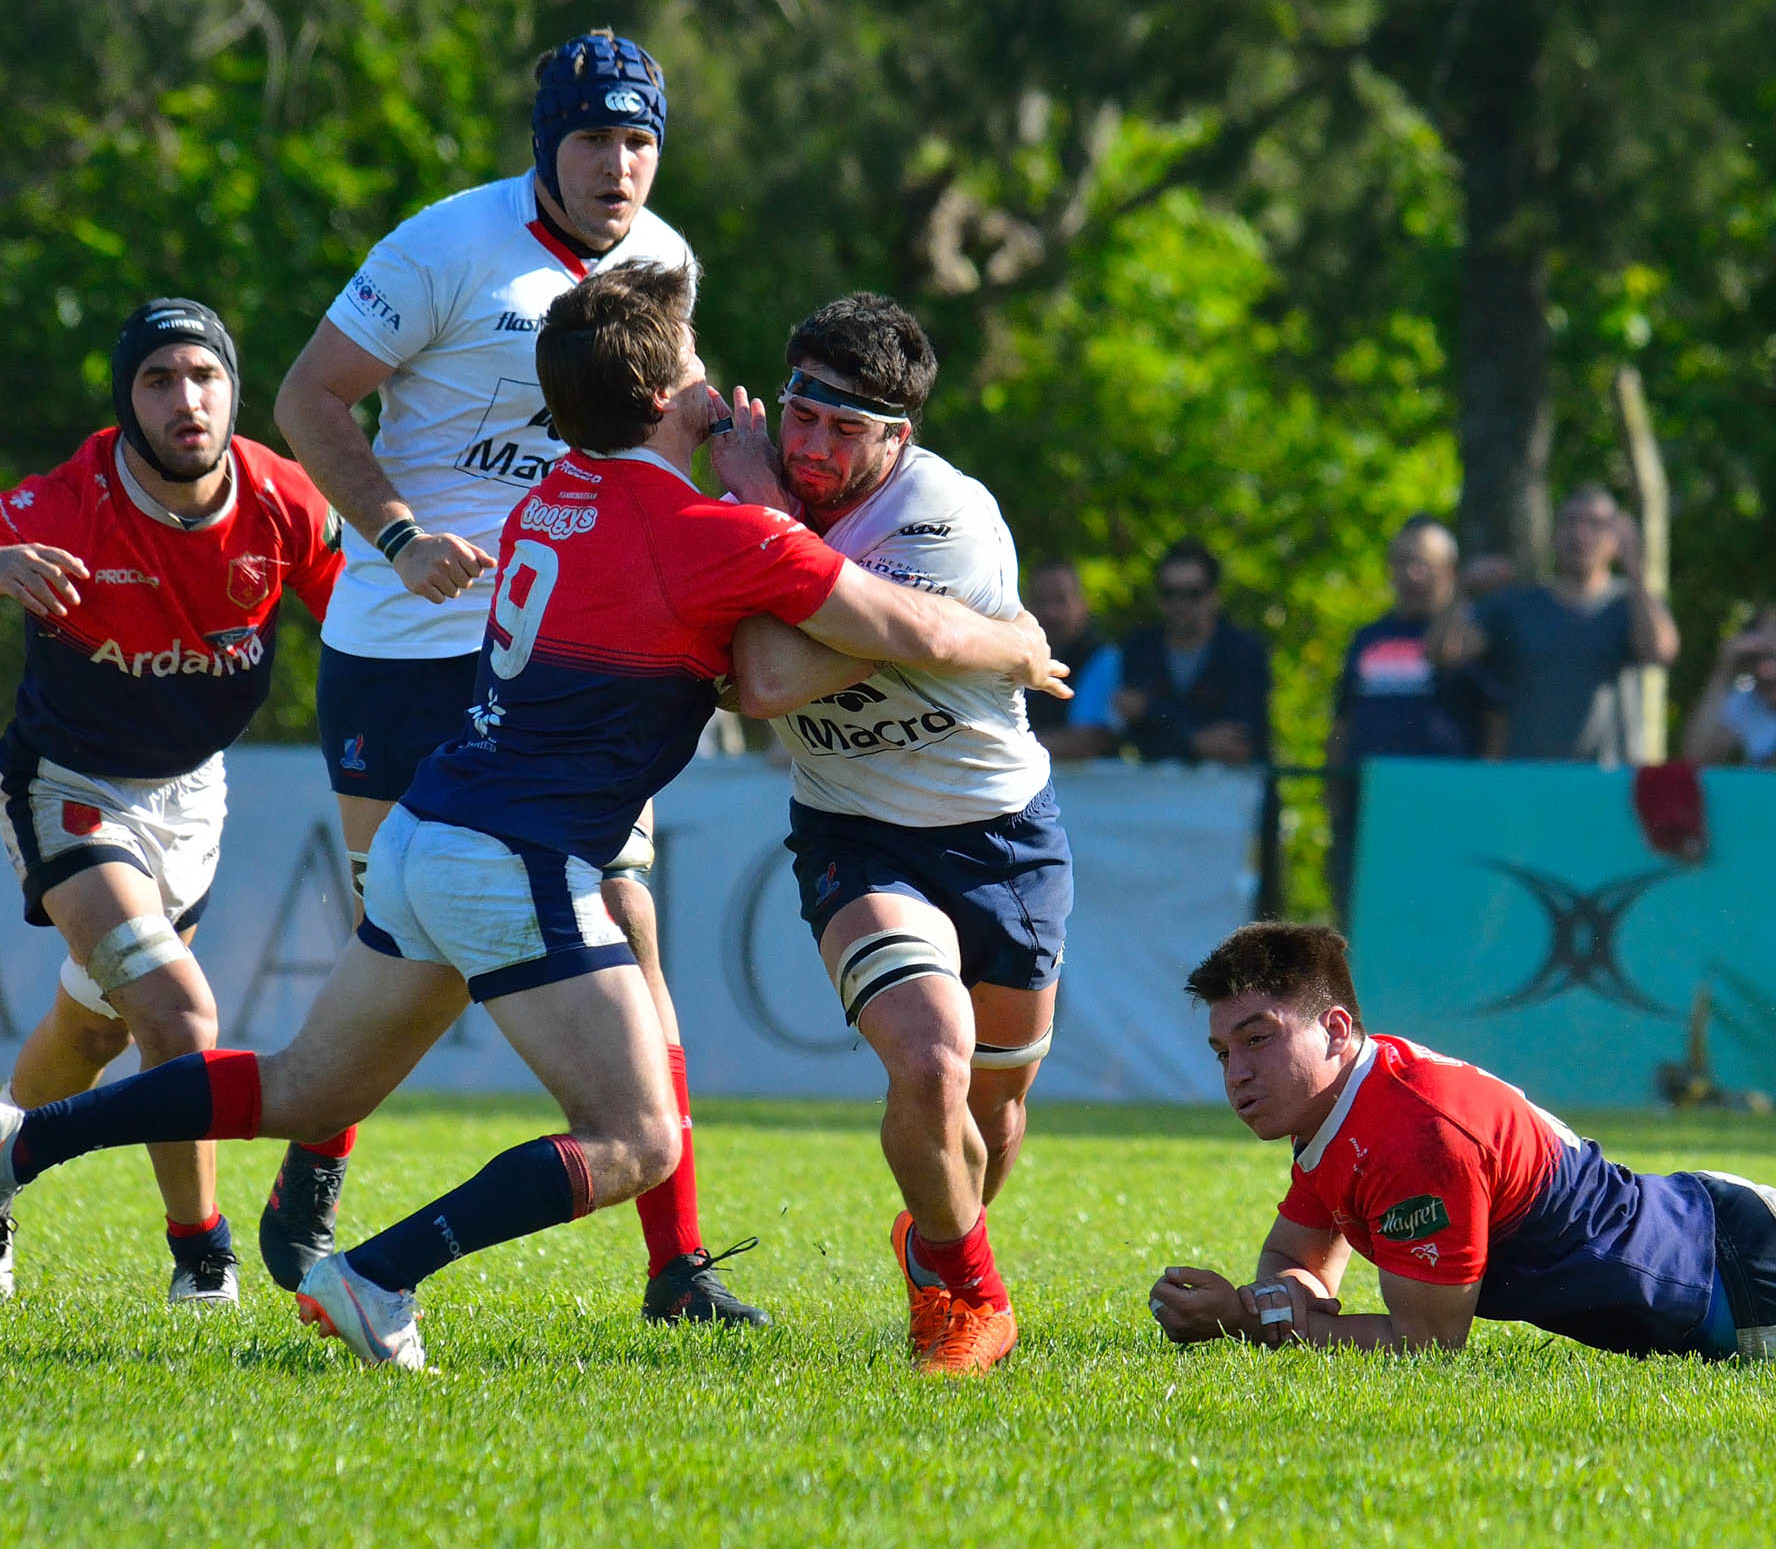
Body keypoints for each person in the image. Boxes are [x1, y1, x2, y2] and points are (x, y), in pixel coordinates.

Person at [0, 260, 1067, 1371]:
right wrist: (1019, 645)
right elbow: (912, 636)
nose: (717, 383)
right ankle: (376, 1275)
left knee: (303, 1085)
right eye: (694, 363)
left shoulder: (550, 494)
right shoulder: (715, 530)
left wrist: (739, 493)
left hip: (427, 833)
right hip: (516, 857)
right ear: (659, 394)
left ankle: (10, 1143)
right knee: (637, 1139)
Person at [268, 29, 748, 1325]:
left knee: (636, 927)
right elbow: (309, 400)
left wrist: (741, 450)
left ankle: (677, 1267)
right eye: (594, 137)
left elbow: (677, 401)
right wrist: (398, 535)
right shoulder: (443, 247)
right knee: (399, 948)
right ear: (546, 146)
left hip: (560, 649)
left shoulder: (665, 263)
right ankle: (324, 1140)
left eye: (640, 138)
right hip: (402, 640)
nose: (619, 163)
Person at [710, 294, 1074, 1376]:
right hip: (856, 831)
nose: (812, 450)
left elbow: (772, 666)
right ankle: (966, 1298)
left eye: (843, 430)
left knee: (995, 1110)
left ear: (897, 438)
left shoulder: (940, 521)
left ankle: (932, 1240)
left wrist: (760, 498)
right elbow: (761, 684)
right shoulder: (756, 485)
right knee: (929, 1062)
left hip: (1001, 834)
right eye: (797, 420)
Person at [0, 298, 342, 1303]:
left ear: (234, 388)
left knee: (95, 1029)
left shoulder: (285, 500)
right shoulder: (63, 503)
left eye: (205, 376)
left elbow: (372, 623)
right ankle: (202, 1251)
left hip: (193, 796)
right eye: (158, 379)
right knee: (179, 1016)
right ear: (127, 404)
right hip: (65, 789)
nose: (188, 399)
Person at [1148, 922, 1776, 1359]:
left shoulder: (1412, 1136)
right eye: (1223, 1052)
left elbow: (1427, 1347)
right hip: (1714, 1232)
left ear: (1336, 1031)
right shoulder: (1347, 1100)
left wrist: (1245, 1321)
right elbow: (1296, 1261)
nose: (1237, 1074)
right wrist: (1267, 1310)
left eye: (1259, 1039)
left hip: (1739, 1275)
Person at [1428, 486, 1679, 765]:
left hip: (1609, 782)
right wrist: (1462, 590)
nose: (1580, 534)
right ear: (1554, 533)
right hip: (1531, 780)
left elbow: (1660, 651)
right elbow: (1443, 654)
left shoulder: (1630, 604)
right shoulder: (1517, 605)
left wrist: (1635, 567)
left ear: (1615, 538)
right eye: (1570, 522)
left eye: (1595, 524)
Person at [1324, 517, 1489, 915]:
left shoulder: (1472, 638)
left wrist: (1487, 789)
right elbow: (1344, 720)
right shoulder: (1367, 638)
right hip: (1369, 810)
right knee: (1364, 920)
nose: (1412, 574)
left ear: (1450, 571)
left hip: (1445, 811)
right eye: (1401, 562)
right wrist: (1333, 792)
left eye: (1424, 563)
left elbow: (1495, 718)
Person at [1065, 541, 1270, 766]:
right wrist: (1196, 740)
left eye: (1193, 594)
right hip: (1160, 794)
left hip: (1236, 796)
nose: (1180, 604)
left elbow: (1239, 742)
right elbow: (1134, 737)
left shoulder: (1243, 652)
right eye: (1169, 593)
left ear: (1214, 596)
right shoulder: (1139, 649)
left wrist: (1151, 712)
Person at [1021, 561, 1114, 760]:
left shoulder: (1103, 659)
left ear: (1083, 605)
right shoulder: (1011, 660)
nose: (1050, 611)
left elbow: (1084, 742)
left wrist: (1001, 748)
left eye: (1060, 600)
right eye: (1040, 601)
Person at [1681, 606, 1776, 767]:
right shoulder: (1747, 701)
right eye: (1759, 657)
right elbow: (1696, 758)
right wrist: (1724, 671)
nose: (1766, 670)